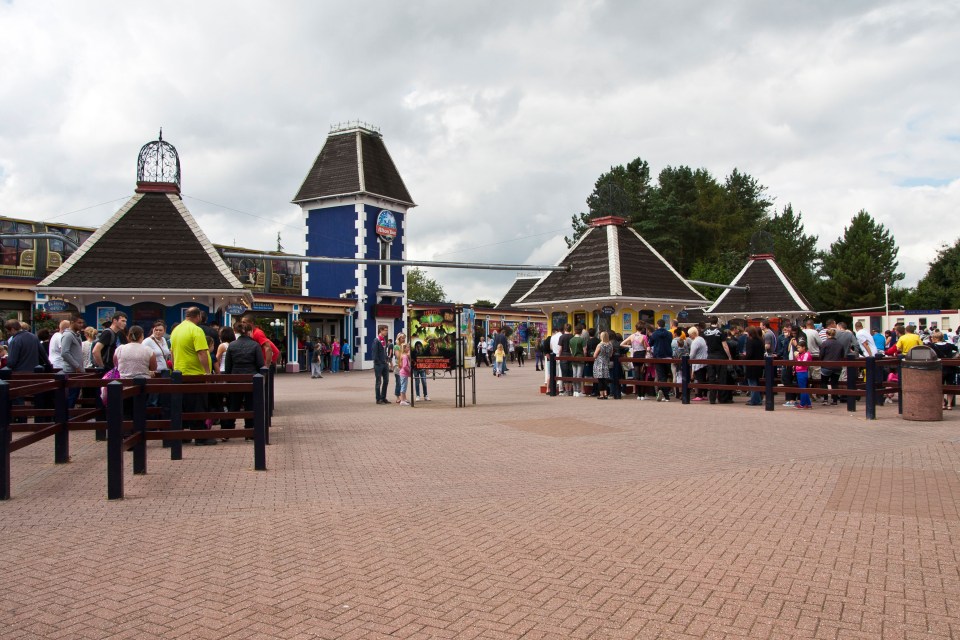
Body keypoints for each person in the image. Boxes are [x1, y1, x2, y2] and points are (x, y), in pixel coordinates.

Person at [171, 307, 215, 445]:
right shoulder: (196, 330)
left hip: (180, 373)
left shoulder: (176, 330)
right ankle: (200, 436)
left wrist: (174, 368)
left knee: (183, 406)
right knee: (198, 406)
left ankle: (183, 434)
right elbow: (202, 352)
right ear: (198, 317)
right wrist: (207, 373)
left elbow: (172, 353)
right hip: (195, 373)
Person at [224, 320, 265, 433]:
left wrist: (229, 379)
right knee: (250, 405)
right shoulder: (255, 345)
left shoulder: (232, 345)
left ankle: (228, 429)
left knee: (234, 405)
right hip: (251, 379)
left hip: (235, 379)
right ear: (249, 332)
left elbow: (228, 366)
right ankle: (250, 430)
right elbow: (260, 364)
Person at [702, 319, 732, 404]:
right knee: (721, 378)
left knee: (711, 378)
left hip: (710, 356)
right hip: (720, 356)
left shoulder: (705, 331)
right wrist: (729, 356)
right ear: (717, 322)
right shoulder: (721, 331)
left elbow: (705, 344)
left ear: (710, 322)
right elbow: (725, 345)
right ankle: (722, 398)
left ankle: (712, 398)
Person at [60, 313, 86, 408]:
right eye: (79, 322)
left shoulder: (77, 335)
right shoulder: (68, 335)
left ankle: (70, 415)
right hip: (71, 370)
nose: (81, 325)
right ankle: (67, 417)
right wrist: (77, 366)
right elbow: (64, 353)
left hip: (77, 370)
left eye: (82, 323)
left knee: (74, 395)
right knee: (71, 396)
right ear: (72, 322)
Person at [929, 331, 957, 410]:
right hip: (950, 367)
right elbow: (956, 349)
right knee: (950, 386)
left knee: (939, 386)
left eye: (932, 337)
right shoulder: (949, 345)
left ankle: (942, 404)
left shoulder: (932, 346)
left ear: (935, 338)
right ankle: (949, 405)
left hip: (939, 368)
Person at [648, 319, 673, 402]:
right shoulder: (669, 334)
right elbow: (670, 342)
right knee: (666, 376)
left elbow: (650, 343)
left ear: (657, 325)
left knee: (661, 377)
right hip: (668, 356)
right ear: (664, 324)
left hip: (658, 356)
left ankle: (665, 395)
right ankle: (664, 392)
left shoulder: (654, 334)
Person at [819, 327, 846, 406]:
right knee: (834, 383)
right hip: (837, 366)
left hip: (826, 366)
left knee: (824, 383)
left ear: (827, 334)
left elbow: (821, 355)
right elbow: (842, 355)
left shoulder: (825, 343)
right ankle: (834, 400)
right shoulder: (840, 344)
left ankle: (825, 399)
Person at [743, 325, 766, 406]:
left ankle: (754, 400)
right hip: (759, 364)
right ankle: (757, 399)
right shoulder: (760, 341)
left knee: (752, 383)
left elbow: (749, 354)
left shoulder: (750, 341)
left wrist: (744, 356)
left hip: (751, 364)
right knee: (756, 382)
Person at [688, 327, 708, 400]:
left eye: (690, 334)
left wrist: (688, 359)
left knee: (699, 379)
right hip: (704, 361)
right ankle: (705, 394)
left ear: (693, 333)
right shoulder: (702, 339)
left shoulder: (695, 342)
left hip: (698, 363)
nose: (689, 336)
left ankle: (699, 395)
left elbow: (692, 354)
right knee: (703, 379)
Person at [592, 331, 613, 400]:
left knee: (600, 379)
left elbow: (595, 355)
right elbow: (610, 354)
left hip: (599, 362)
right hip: (606, 362)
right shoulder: (610, 345)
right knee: (605, 379)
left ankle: (601, 395)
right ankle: (606, 393)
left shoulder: (600, 345)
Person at [373, 325, 390, 405]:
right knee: (378, 382)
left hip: (384, 363)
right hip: (379, 364)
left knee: (386, 381)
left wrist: (387, 360)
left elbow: (384, 352)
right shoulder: (376, 340)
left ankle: (383, 397)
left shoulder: (384, 340)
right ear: (381, 330)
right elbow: (375, 353)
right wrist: (378, 362)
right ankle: (378, 399)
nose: (386, 332)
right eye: (385, 330)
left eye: (387, 330)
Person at [794, 341, 813, 409]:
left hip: (803, 372)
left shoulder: (806, 354)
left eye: (799, 347)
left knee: (803, 389)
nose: (798, 349)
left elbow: (803, 363)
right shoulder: (802, 354)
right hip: (799, 372)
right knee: (803, 388)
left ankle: (802, 404)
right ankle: (808, 404)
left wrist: (797, 357)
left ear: (804, 347)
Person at [569, 324, 585, 397]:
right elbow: (585, 350)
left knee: (574, 375)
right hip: (580, 358)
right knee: (579, 375)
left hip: (573, 358)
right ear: (581, 331)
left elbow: (571, 350)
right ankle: (578, 390)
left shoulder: (571, 340)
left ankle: (575, 390)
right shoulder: (582, 340)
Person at [393, 333, 406, 403]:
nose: (404, 340)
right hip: (398, 366)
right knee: (398, 382)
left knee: (403, 382)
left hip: (404, 365)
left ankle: (403, 396)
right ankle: (398, 396)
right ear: (399, 339)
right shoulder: (396, 346)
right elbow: (398, 356)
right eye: (402, 338)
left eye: (404, 338)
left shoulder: (404, 346)